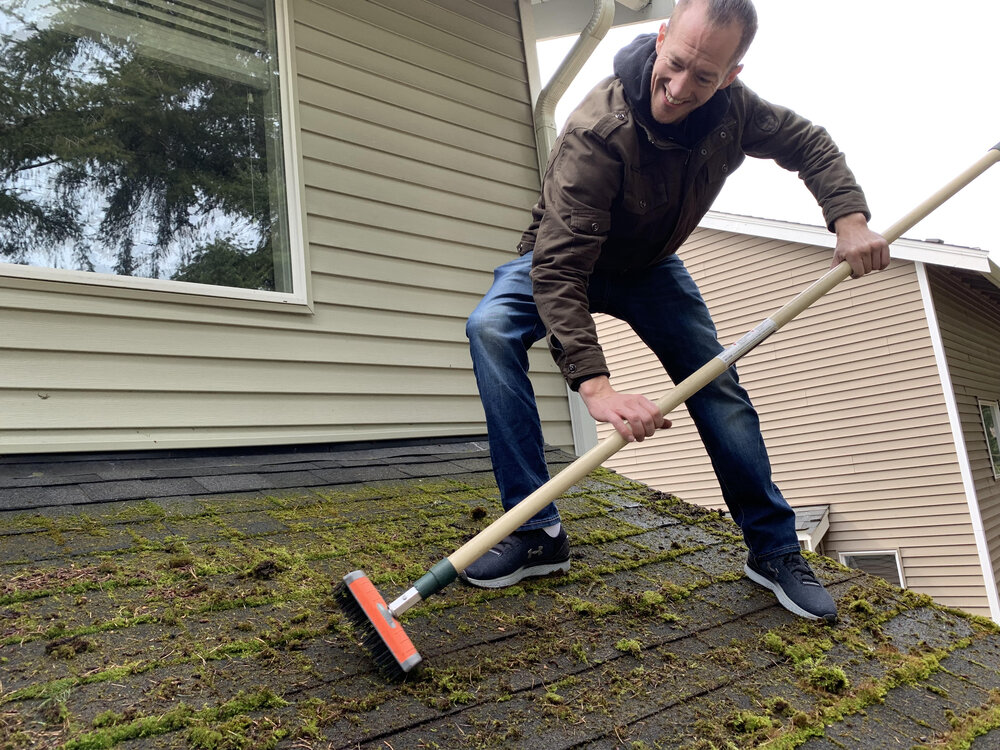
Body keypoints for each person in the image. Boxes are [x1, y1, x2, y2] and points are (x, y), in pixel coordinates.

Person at [462, 0, 889, 624]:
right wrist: (597, 385)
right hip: (563, 257)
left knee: (717, 382)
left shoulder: (734, 113)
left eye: (705, 77)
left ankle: (772, 549)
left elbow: (809, 143)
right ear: (661, 38)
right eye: (677, 64)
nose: (680, 88)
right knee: (490, 329)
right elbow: (559, 271)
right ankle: (535, 532)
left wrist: (849, 219)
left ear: (732, 76)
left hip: (651, 268)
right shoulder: (597, 132)